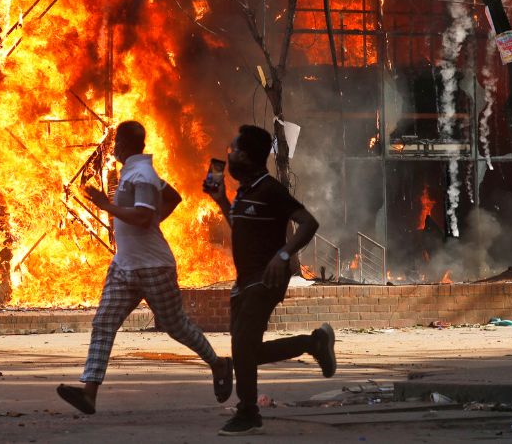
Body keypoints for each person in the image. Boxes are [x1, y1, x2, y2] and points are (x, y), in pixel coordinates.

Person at [56, 121, 233, 415]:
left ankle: (219, 363)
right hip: (125, 266)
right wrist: (154, 221)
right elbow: (173, 197)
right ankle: (89, 393)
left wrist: (106, 205)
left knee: (177, 327)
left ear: (123, 145)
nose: (112, 149)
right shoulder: (135, 172)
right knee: (103, 323)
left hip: (153, 267)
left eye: (115, 144)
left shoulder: (142, 175)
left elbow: (139, 217)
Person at [204, 124, 337, 436]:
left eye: (234, 150)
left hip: (267, 279)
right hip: (244, 281)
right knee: (245, 353)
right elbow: (241, 227)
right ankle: (313, 343)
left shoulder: (270, 190)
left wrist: (283, 255)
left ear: (248, 156)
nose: (229, 154)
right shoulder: (245, 192)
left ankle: (248, 411)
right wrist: (222, 201)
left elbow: (308, 222)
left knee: (242, 347)